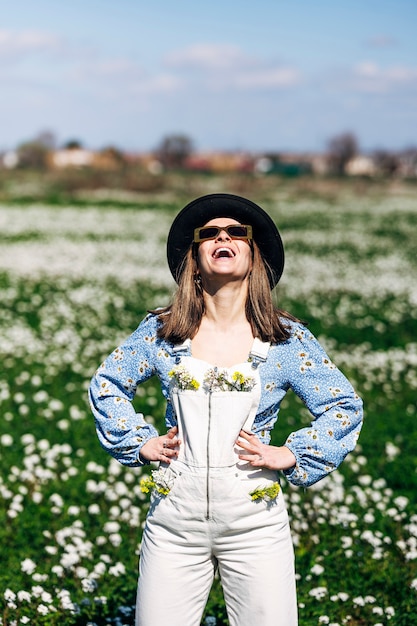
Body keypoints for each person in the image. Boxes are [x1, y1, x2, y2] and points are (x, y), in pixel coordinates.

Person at [89, 193, 363, 626]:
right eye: (210, 233)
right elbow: (107, 383)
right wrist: (138, 441)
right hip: (173, 526)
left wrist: (292, 454)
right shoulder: (162, 332)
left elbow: (342, 406)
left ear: (254, 255)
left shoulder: (285, 339)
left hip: (255, 526)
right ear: (194, 258)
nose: (224, 238)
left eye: (237, 232)